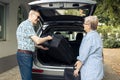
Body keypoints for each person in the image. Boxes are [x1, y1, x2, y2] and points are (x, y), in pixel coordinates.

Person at [16, 9, 52, 80]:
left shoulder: (24, 24)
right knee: (27, 78)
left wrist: (40, 47)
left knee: (26, 77)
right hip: (25, 56)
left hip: (23, 54)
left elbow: (26, 42)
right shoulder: (28, 25)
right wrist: (47, 38)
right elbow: (38, 40)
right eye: (37, 17)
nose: (38, 19)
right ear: (31, 15)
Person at [73, 16, 104, 80]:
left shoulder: (89, 37)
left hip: (90, 71)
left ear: (89, 25)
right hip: (96, 69)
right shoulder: (96, 35)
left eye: (84, 23)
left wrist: (77, 69)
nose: (83, 25)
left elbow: (83, 55)